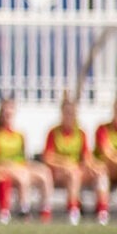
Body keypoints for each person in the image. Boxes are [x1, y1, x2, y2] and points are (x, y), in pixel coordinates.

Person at [42, 96, 108, 225]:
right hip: (60, 173)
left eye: (72, 113)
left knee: (101, 175)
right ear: (62, 113)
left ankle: (102, 210)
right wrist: (65, 163)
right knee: (74, 174)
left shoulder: (81, 133)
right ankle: (73, 209)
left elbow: (86, 157)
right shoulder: (54, 132)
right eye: (67, 113)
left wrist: (95, 166)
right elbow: (48, 157)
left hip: (76, 170)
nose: (69, 116)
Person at [0, 96, 53, 224]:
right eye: (5, 110)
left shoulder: (20, 134)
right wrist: (13, 166)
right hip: (3, 168)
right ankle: (24, 210)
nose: (8, 113)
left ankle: (45, 209)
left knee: (44, 172)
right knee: (22, 176)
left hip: (20, 167)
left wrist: (28, 166)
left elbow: (24, 158)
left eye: (11, 110)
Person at [90, 99, 117, 227]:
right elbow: (107, 153)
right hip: (105, 169)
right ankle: (102, 211)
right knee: (102, 175)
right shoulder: (103, 129)